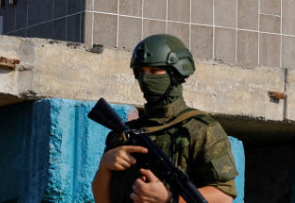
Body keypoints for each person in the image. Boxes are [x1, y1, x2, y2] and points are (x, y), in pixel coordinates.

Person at [92, 34, 238, 203]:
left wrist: (169, 199)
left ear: (176, 73)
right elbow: (101, 200)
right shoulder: (125, 134)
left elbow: (224, 196)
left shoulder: (201, 129)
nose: (146, 78)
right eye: (141, 72)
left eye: (154, 71)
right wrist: (105, 167)